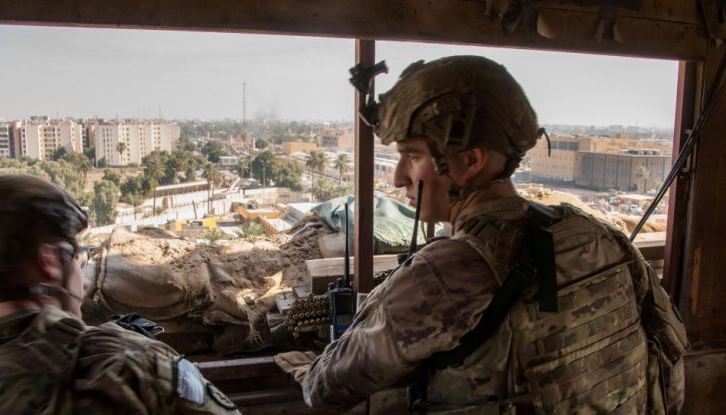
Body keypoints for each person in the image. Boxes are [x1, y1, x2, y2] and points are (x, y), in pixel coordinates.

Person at [278, 56, 688, 414]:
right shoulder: (597, 234)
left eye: (412, 156)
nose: (399, 177)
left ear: (471, 160)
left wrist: (303, 365)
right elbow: (670, 360)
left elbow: (326, 389)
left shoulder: (443, 274)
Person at [0, 175, 240, 414]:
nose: (84, 283)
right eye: (76, 256)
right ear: (50, 262)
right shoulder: (124, 362)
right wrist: (134, 346)